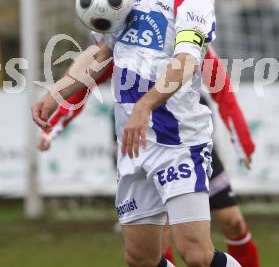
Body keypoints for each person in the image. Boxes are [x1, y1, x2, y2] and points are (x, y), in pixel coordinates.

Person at [32, 0, 241, 266]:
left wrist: (144, 105)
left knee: (195, 254)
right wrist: (58, 91)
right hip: (133, 145)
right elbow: (101, 51)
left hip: (178, 141)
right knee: (140, 258)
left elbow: (185, 63)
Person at [39, 46, 260, 267]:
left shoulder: (186, 27)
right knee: (152, 246)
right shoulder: (122, 36)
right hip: (140, 143)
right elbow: (87, 77)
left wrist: (242, 139)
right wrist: (54, 125)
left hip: (188, 141)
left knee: (231, 223)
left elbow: (222, 89)